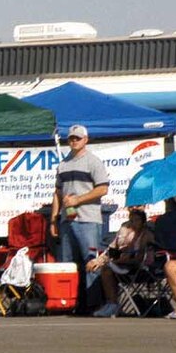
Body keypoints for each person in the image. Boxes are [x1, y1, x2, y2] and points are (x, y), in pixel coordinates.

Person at [50, 124, 110, 312]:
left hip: (88, 219)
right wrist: (54, 219)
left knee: (91, 261)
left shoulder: (93, 162)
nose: (74, 141)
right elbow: (57, 193)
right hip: (67, 220)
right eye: (71, 138)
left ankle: (93, 303)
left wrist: (78, 199)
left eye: (78, 138)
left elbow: (102, 188)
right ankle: (70, 302)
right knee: (67, 263)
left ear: (86, 140)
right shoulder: (63, 164)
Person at [90, 208, 153, 317]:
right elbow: (112, 249)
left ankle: (113, 304)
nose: (133, 223)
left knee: (108, 269)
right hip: (123, 264)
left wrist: (120, 258)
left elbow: (139, 258)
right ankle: (111, 303)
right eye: (131, 220)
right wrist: (98, 261)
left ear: (143, 221)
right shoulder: (125, 231)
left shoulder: (147, 235)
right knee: (103, 267)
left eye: (137, 220)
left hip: (139, 268)